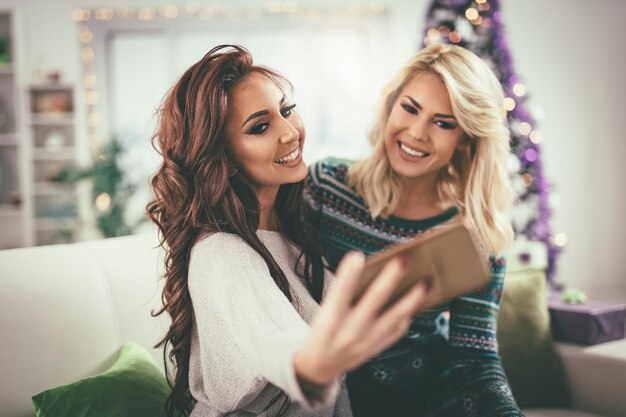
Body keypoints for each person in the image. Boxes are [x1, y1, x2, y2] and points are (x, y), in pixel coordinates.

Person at [147, 45, 428, 417]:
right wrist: (312, 365)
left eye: (287, 110)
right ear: (224, 158)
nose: (289, 132)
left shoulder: (295, 231)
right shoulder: (220, 253)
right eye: (260, 127)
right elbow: (278, 344)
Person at [305, 43, 523, 416]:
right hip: (334, 402)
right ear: (390, 106)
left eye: (443, 123)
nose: (417, 133)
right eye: (410, 108)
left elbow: (475, 359)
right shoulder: (326, 185)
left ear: (465, 138)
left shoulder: (476, 232)